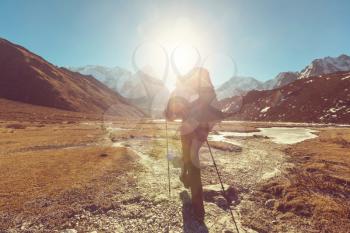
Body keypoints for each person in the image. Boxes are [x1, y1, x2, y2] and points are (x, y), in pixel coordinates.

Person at [164, 67, 224, 222]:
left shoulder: (182, 90)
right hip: (201, 130)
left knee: (190, 160)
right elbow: (214, 112)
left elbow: (170, 115)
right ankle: (197, 207)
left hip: (190, 130)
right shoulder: (207, 90)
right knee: (191, 159)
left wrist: (170, 112)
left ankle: (197, 207)